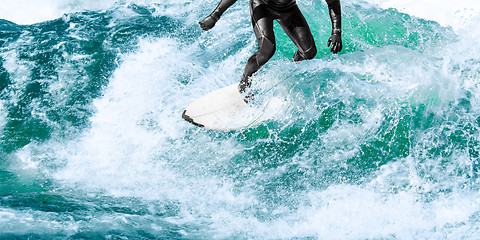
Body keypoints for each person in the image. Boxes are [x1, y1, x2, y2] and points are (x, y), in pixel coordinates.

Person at [199, 0, 342, 102]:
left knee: (309, 52)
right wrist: (215, 15)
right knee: (267, 50)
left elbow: (333, 2)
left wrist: (336, 32)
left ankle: (292, 70)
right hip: (262, 6)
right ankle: (244, 83)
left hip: (288, 9)